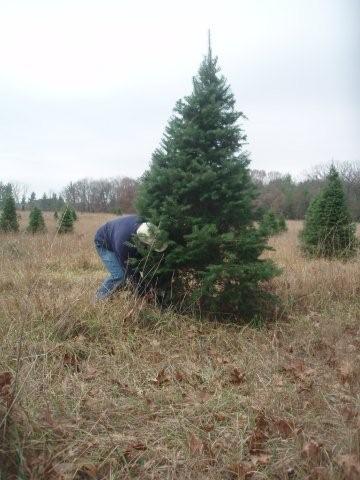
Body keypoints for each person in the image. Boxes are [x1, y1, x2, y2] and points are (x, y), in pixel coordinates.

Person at [94, 214, 168, 300]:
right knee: (120, 275)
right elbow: (131, 270)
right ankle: (98, 299)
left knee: (127, 277)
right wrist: (143, 292)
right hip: (104, 242)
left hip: (118, 232)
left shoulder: (149, 225)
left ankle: (121, 289)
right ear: (143, 242)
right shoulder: (124, 244)